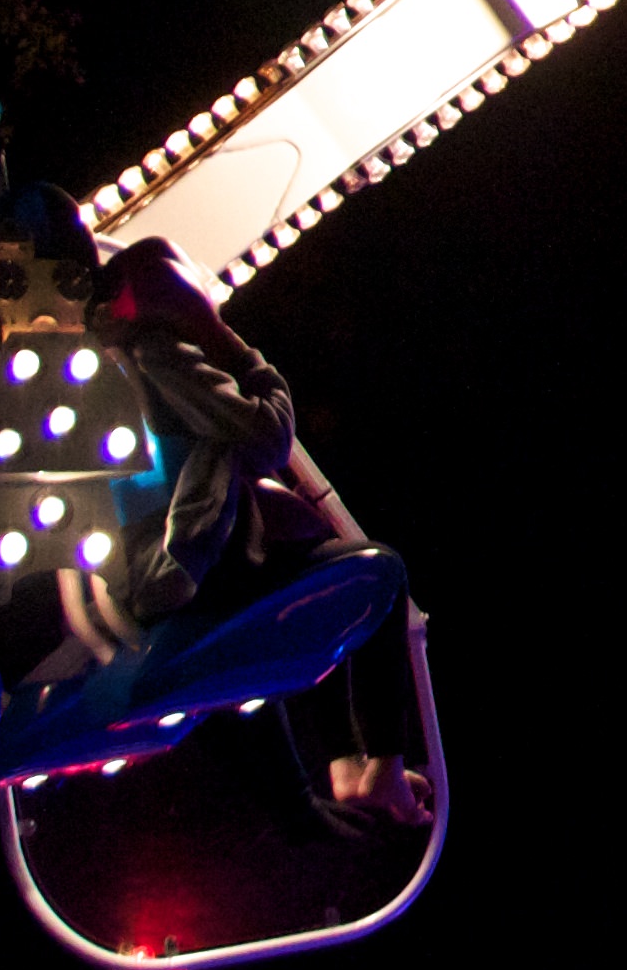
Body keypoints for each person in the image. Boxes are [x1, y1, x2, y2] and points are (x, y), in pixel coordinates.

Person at [91, 239, 430, 825]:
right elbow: (267, 436)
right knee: (380, 572)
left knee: (321, 564)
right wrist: (224, 339)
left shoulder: (108, 365)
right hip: (196, 569)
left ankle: (346, 764)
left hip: (157, 568)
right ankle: (383, 766)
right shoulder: (158, 354)